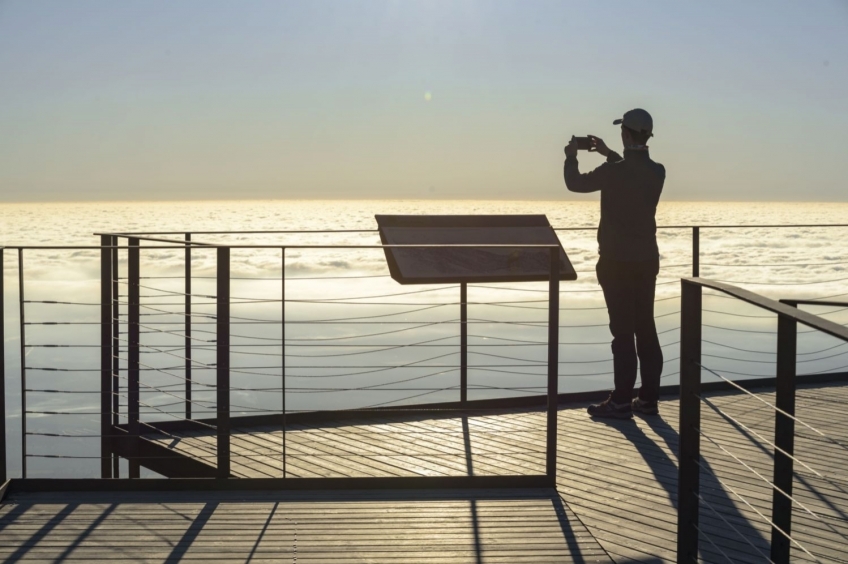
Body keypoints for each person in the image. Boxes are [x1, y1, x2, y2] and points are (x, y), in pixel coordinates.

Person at [563, 109, 666, 419]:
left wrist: (571, 156)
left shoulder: (613, 173)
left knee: (622, 333)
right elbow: (629, 173)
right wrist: (608, 154)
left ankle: (621, 401)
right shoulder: (658, 171)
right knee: (645, 328)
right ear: (647, 136)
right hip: (646, 260)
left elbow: (575, 183)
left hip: (616, 262)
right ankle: (648, 399)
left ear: (625, 134)